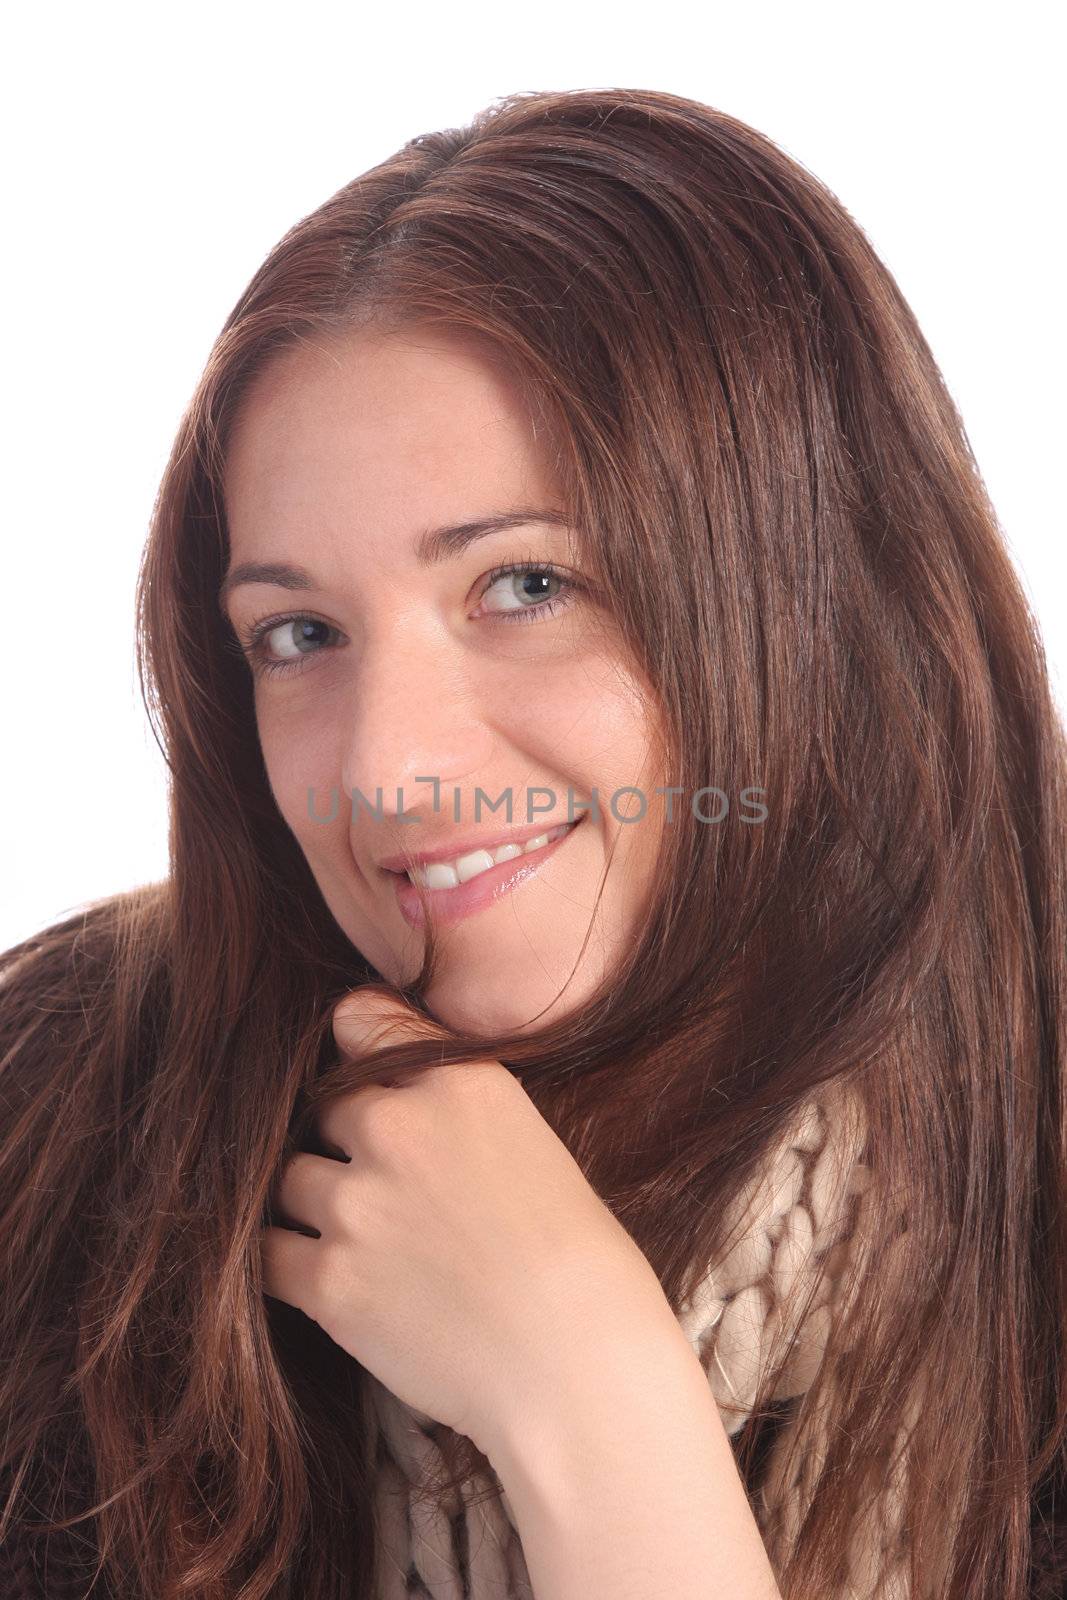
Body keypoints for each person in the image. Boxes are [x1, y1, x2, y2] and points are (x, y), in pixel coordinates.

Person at [1, 85, 1064, 1600]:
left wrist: (589, 1403)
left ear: (819, 592)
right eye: (299, 632)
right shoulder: (55, 1136)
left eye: (522, 587)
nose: (387, 770)